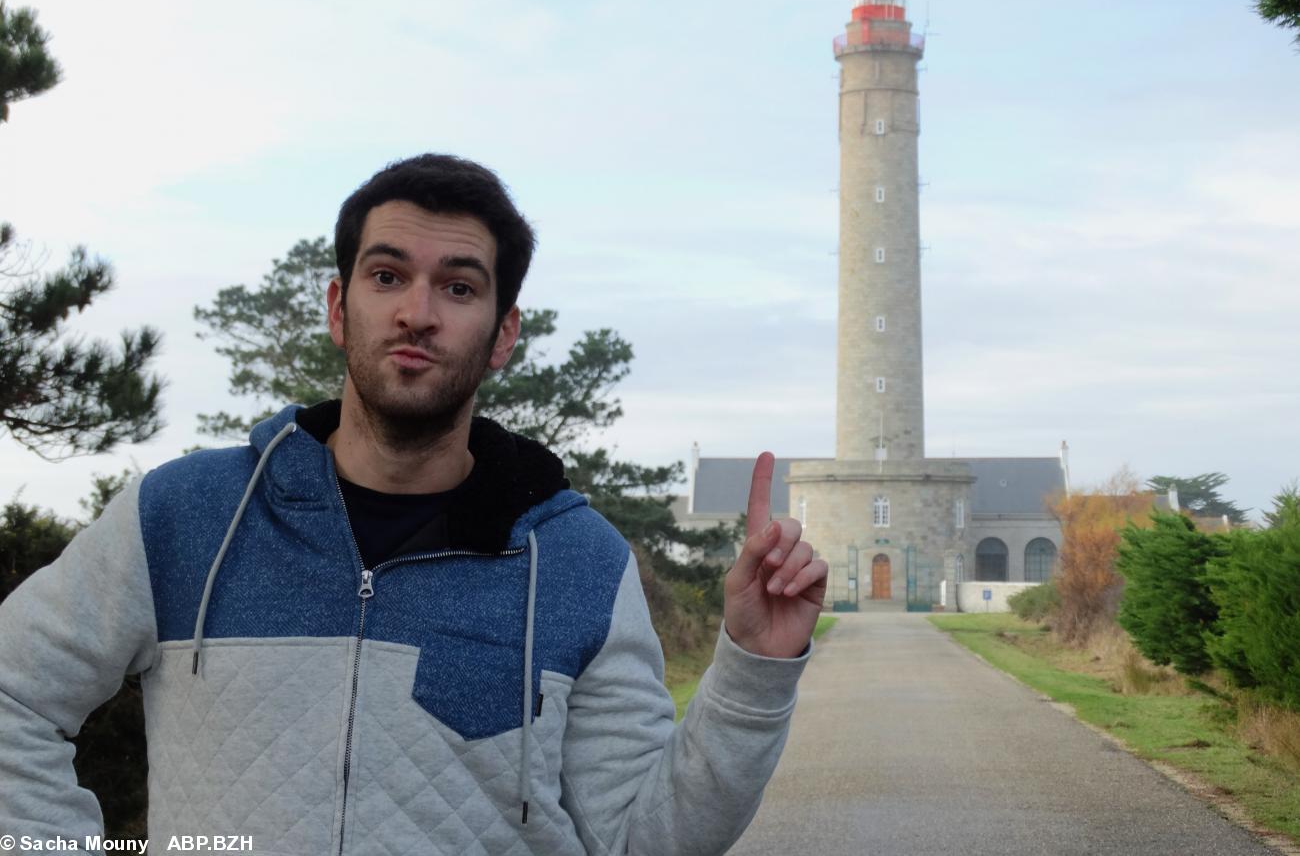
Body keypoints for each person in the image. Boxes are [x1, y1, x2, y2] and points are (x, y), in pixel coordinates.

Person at [0, 153, 829, 855]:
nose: (416, 312)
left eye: (458, 287)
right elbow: (14, 695)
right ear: (338, 306)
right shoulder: (180, 517)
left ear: (503, 334)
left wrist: (754, 669)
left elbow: (642, 835)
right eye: (387, 275)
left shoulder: (580, 561)